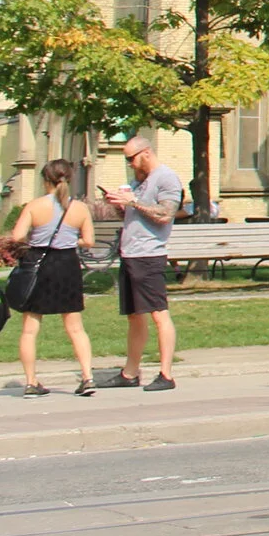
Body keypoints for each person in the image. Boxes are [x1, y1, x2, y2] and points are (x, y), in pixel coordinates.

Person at [3, 159, 97, 397]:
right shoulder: (80, 208)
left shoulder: (35, 206)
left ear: (46, 180)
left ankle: (31, 382)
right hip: (67, 265)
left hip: (40, 263)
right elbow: (89, 241)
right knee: (75, 327)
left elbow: (17, 236)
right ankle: (87, 377)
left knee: (30, 328)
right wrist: (70, 239)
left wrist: (38, 238)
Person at [94, 139, 181, 391]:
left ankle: (166, 374)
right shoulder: (138, 182)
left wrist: (132, 201)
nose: (129, 164)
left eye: (131, 158)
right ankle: (130, 373)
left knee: (159, 314)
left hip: (149, 255)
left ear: (146, 153)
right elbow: (135, 214)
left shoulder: (166, 178)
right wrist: (120, 204)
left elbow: (165, 214)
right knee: (134, 316)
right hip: (130, 254)